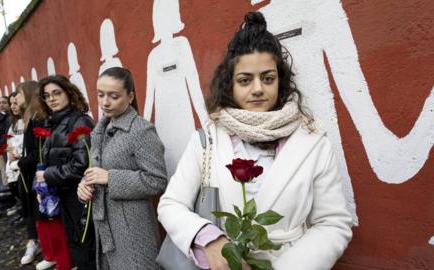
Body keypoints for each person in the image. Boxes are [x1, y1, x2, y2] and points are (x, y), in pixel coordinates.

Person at [157, 12, 353, 270]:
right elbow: (171, 204)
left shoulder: (313, 140)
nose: (258, 88)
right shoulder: (207, 139)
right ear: (231, 85)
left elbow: (332, 223)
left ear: (280, 81)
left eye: (268, 78)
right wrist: (211, 242)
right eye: (245, 80)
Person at [77, 67, 168, 269]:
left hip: (133, 230)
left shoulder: (141, 130)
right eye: (100, 95)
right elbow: (96, 171)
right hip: (105, 225)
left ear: (130, 96)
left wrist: (110, 178)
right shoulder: (100, 130)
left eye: (114, 96)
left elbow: (157, 180)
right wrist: (84, 184)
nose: (105, 102)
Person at [37, 75, 96, 270]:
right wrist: (42, 186)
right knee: (74, 244)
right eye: (47, 96)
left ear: (69, 94)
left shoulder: (79, 122)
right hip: (63, 194)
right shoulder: (53, 123)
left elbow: (82, 164)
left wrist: (48, 176)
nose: (52, 99)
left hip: (81, 196)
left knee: (86, 246)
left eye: (56, 93)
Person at [16, 81, 49, 267]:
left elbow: (40, 151)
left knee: (43, 211)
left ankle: (52, 252)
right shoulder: (30, 116)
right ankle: (45, 248)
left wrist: (22, 162)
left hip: (37, 173)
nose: (16, 98)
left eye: (19, 94)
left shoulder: (37, 117)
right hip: (30, 173)